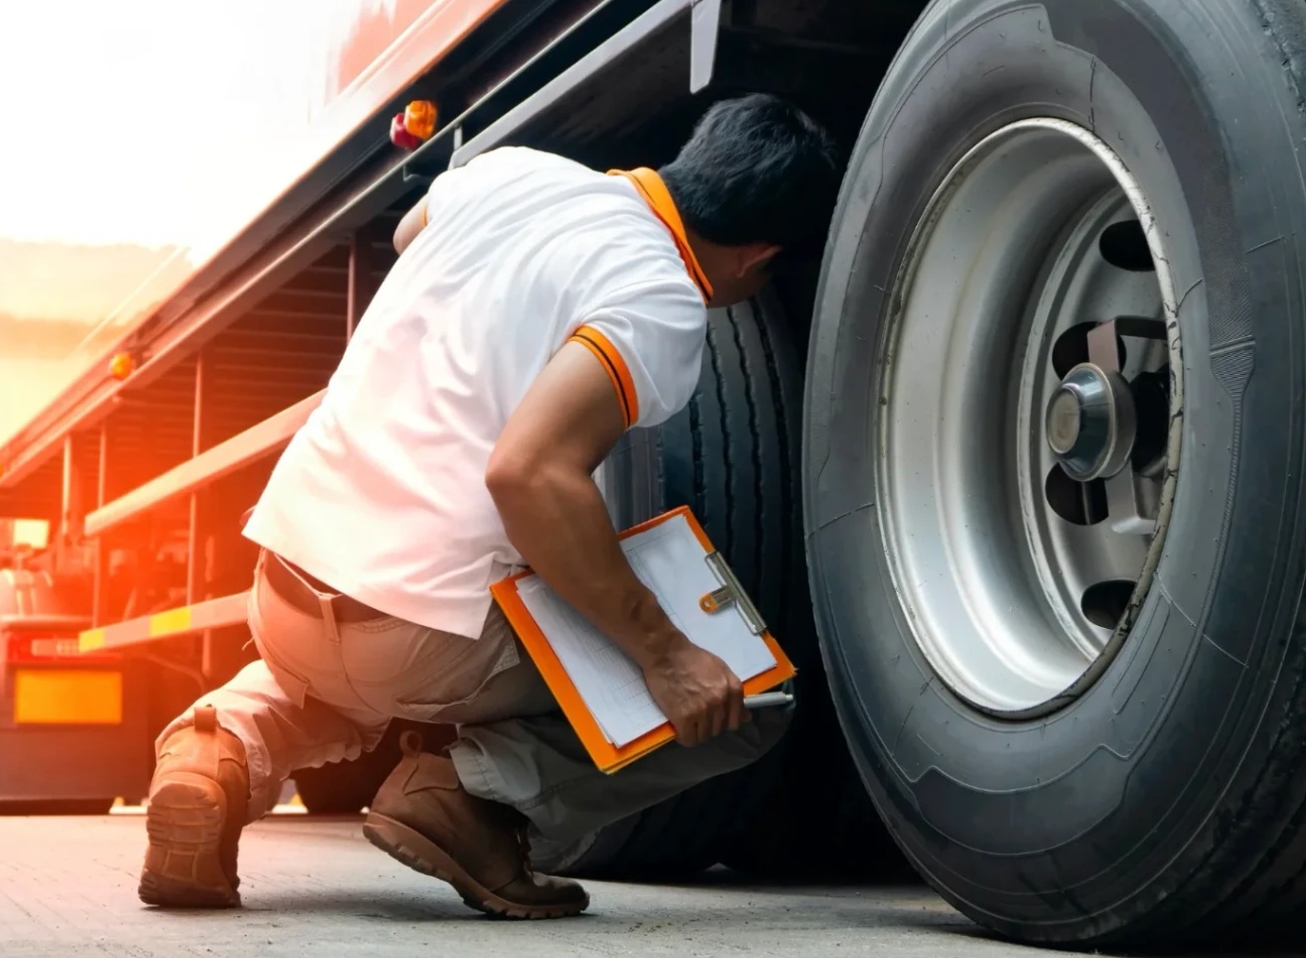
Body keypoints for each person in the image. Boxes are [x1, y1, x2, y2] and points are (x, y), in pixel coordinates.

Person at [137, 93, 840, 919]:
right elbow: (530, 474)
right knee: (745, 699)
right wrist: (667, 654)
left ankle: (213, 753)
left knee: (334, 682)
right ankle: (467, 798)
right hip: (417, 638)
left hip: (286, 580)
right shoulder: (659, 292)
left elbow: (410, 235)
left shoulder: (512, 171)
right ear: (758, 257)